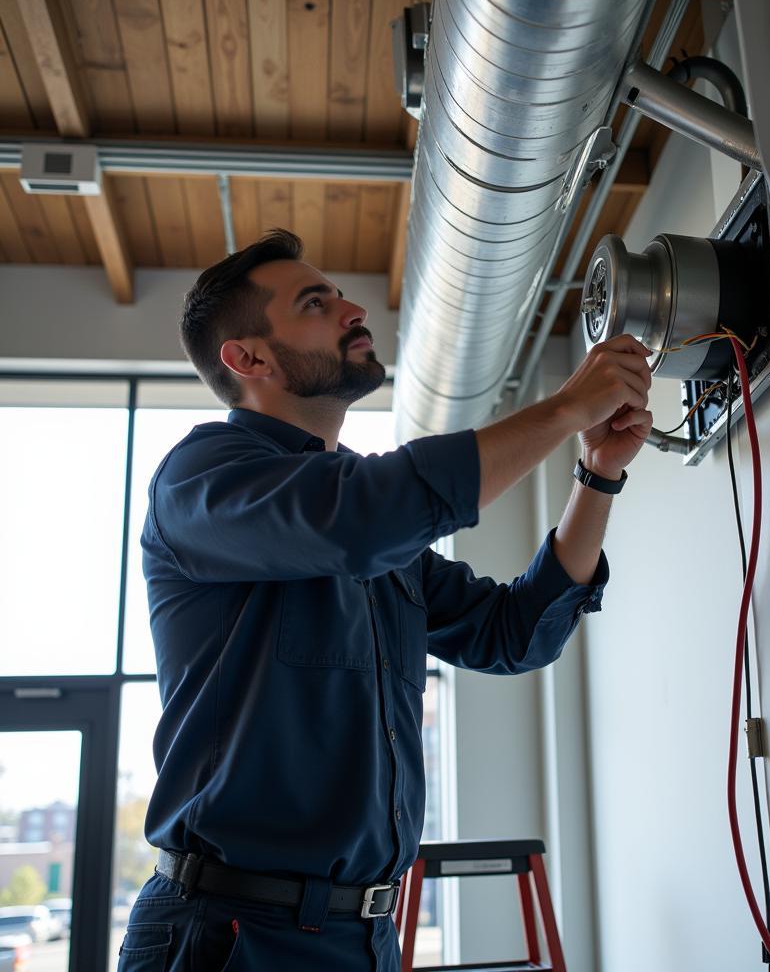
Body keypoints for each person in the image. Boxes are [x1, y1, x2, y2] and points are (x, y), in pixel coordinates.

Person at [117, 229, 652, 971]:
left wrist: (596, 476)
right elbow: (360, 520)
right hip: (232, 937)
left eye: (338, 294)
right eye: (315, 303)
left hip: (364, 936)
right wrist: (562, 409)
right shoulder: (203, 478)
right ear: (250, 359)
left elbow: (511, 633)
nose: (352, 308)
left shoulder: (368, 523)